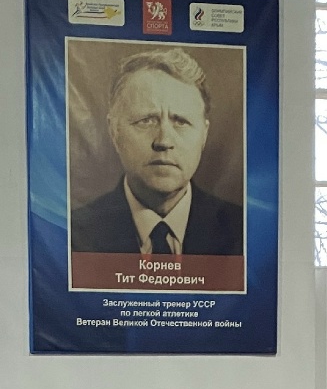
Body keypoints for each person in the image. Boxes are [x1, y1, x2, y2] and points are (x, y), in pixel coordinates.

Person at [70, 47, 243, 256]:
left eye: (181, 122)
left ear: (204, 135)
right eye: (146, 121)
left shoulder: (244, 233)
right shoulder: (73, 234)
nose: (164, 141)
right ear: (114, 131)